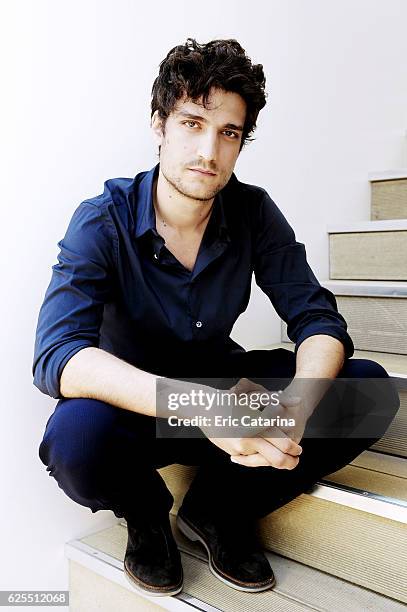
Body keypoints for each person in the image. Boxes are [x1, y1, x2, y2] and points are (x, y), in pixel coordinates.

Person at [33, 38, 399, 597]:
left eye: (229, 133)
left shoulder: (252, 209)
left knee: (368, 391)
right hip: (142, 409)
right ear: (159, 125)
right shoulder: (102, 218)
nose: (208, 150)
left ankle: (218, 509)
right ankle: (147, 510)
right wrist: (203, 406)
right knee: (73, 441)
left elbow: (318, 319)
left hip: (227, 390)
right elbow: (56, 357)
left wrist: (293, 413)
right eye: (192, 123)